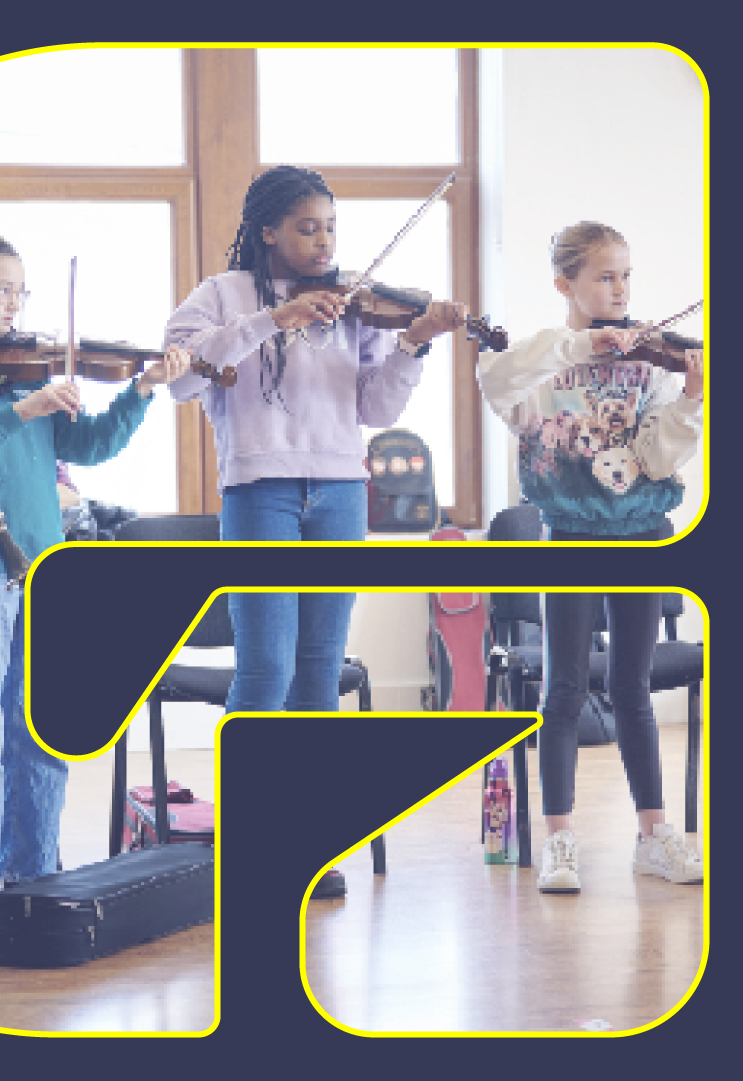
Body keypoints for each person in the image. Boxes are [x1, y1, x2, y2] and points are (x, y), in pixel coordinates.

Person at [165, 165, 469, 898]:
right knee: (264, 670)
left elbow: (373, 409)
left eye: (330, 227)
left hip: (339, 489)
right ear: (267, 229)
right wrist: (275, 319)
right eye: (307, 227)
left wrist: (412, 346)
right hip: (259, 489)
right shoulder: (220, 295)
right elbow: (181, 379)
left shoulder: (357, 303)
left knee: (317, 672)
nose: (323, 241)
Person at [0, 222, 190, 934]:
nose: (14, 303)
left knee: (41, 729)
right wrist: (27, 406)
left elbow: (90, 444)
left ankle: (31, 871)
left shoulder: (19, 369)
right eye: (0, 289)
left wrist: (140, 390)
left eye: (21, 291)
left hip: (46, 568)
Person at [477, 221, 705, 894]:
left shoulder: (652, 362)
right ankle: (560, 840)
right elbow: (499, 380)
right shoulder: (542, 361)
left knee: (632, 687)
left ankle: (652, 835)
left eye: (626, 275)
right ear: (565, 284)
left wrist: (690, 400)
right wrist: (580, 344)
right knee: (563, 690)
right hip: (570, 533)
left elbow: (657, 456)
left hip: (641, 532)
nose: (619, 289)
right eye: (604, 276)